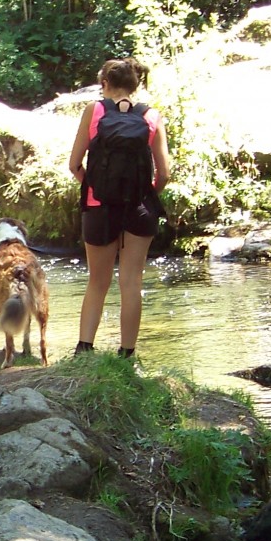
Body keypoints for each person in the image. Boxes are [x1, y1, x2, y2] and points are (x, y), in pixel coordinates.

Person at [68, 57, 171, 359]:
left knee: (97, 282)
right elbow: (164, 173)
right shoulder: (152, 117)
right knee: (131, 282)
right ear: (136, 84)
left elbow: (74, 164)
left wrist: (94, 187)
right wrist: (145, 195)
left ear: (104, 84)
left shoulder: (94, 110)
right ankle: (127, 354)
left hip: (98, 207)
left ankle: (84, 350)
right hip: (138, 208)